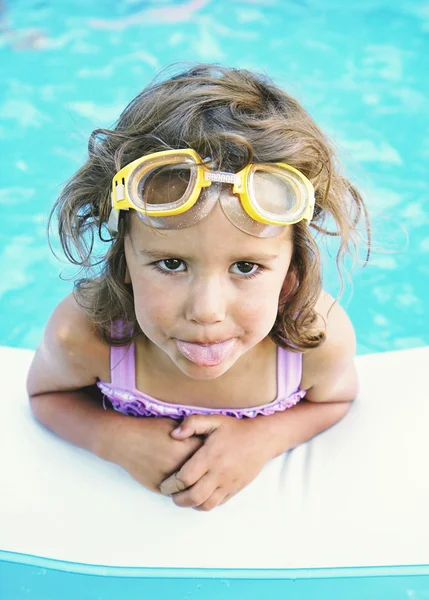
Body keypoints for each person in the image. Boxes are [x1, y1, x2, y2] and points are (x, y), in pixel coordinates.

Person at [27, 64, 371, 512]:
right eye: (171, 264)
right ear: (125, 260)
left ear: (292, 273)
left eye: (246, 267)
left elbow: (338, 398)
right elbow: (45, 394)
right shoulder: (84, 336)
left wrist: (261, 440)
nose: (206, 311)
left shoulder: (314, 343)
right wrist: (112, 438)